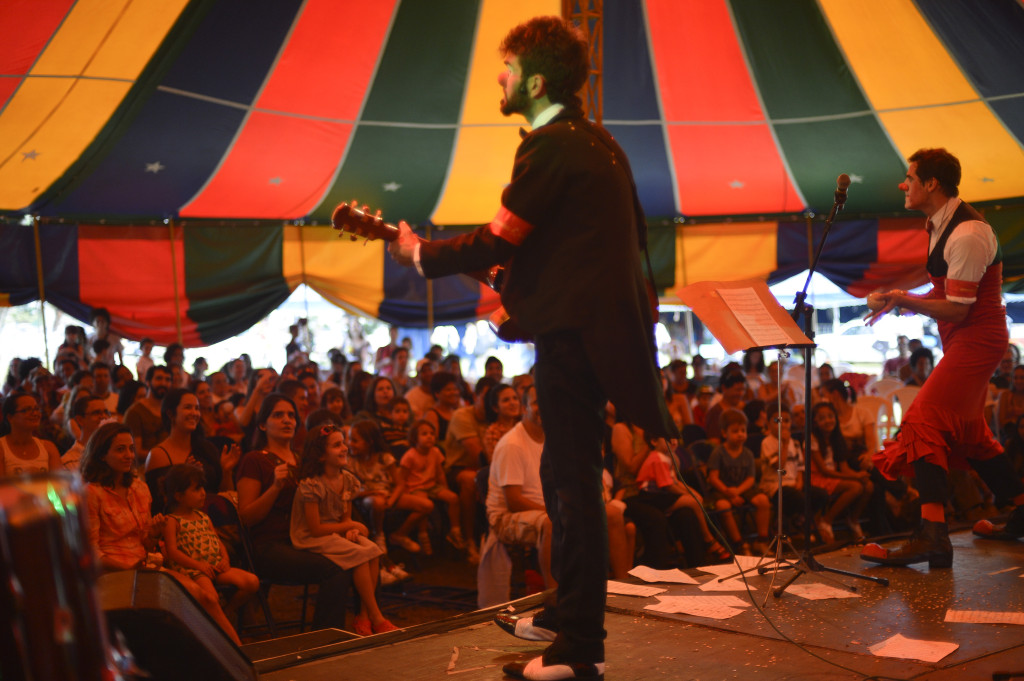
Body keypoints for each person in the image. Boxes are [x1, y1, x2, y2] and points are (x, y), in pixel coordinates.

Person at [386, 17, 674, 679]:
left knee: (571, 489)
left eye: (508, 68)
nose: (499, 77)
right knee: (564, 482)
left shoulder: (549, 147)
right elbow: (560, 254)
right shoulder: (594, 142)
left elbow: (498, 237)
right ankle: (563, 613)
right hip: (587, 334)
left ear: (535, 80)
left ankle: (576, 648)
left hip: (574, 340)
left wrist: (419, 253)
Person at [861, 148, 1024, 567]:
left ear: (931, 183)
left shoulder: (968, 232)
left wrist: (903, 298)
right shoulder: (939, 224)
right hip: (963, 337)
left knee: (923, 419)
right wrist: (895, 301)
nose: (903, 184)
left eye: (909, 177)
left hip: (977, 337)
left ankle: (933, 534)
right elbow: (945, 294)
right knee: (970, 432)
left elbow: (958, 308)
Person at [235, 393, 352, 630]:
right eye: (278, 415)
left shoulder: (303, 460)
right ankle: (325, 638)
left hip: (306, 540)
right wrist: (275, 488)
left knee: (362, 555)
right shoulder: (255, 460)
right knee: (335, 570)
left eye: (291, 415)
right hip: (270, 545)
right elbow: (246, 517)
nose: (287, 420)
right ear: (262, 424)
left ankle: (369, 622)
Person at [290, 424, 397, 636]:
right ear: (321, 455)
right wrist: (349, 526)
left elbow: (344, 517)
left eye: (344, 443)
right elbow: (315, 528)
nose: (345, 448)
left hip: (334, 533)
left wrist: (351, 531)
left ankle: (364, 616)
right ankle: (377, 617)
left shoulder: (347, 480)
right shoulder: (311, 484)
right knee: (359, 554)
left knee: (373, 549)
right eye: (337, 445)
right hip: (311, 537)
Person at [161, 464, 258, 645]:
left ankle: (226, 613)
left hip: (214, 565)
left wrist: (225, 559)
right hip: (194, 570)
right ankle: (221, 635)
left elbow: (217, 540)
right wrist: (198, 566)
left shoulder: (203, 516)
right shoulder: (172, 521)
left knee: (251, 582)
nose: (203, 493)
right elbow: (173, 552)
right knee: (211, 597)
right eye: (196, 489)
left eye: (203, 488)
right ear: (179, 495)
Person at [706, 409, 771, 554]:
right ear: (724, 433)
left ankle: (761, 540)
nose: (740, 434)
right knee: (722, 505)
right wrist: (729, 494)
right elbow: (713, 478)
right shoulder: (718, 452)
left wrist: (738, 492)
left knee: (763, 500)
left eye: (743, 430)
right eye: (735, 431)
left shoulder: (747, 453)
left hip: (742, 488)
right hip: (723, 490)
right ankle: (739, 543)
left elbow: (750, 479)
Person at [400, 419, 464, 554]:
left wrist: (445, 488)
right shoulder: (410, 456)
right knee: (425, 504)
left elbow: (440, 473)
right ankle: (423, 535)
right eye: (424, 434)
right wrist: (406, 494)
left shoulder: (435, 451)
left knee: (453, 498)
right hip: (415, 487)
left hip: (432, 485)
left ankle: (455, 530)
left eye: (431, 433)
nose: (429, 436)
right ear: (414, 438)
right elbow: (403, 478)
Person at [0, 392, 61, 476]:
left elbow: (59, 486)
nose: (35, 414)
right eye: (26, 410)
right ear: (10, 417)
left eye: (36, 409)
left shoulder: (48, 448)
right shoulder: (2, 448)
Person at [124, 365, 172, 462]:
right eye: (159, 378)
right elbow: (136, 451)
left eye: (167, 380)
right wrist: (167, 456)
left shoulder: (171, 410)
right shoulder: (135, 412)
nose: (163, 383)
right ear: (148, 382)